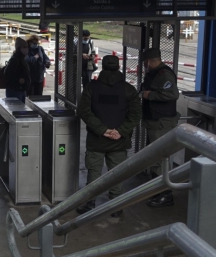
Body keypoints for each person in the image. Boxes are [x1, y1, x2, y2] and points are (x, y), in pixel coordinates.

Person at [76, 55, 142, 216]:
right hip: (119, 141)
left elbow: (84, 111)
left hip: (96, 140)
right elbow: (136, 114)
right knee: (116, 174)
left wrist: (102, 130)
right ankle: (116, 207)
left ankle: (89, 204)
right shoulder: (128, 89)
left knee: (94, 173)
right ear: (119, 67)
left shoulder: (92, 88)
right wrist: (120, 131)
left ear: (102, 67)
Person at [140, 47, 180, 207]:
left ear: (149, 61)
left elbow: (173, 94)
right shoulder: (154, 73)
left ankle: (166, 193)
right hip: (155, 121)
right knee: (155, 157)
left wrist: (150, 95)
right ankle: (157, 189)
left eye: (145, 62)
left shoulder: (164, 74)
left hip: (162, 122)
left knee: (161, 157)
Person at [4, 37, 31, 102]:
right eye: (24, 47)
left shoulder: (22, 59)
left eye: (27, 47)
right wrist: (18, 79)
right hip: (14, 90)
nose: (26, 49)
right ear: (19, 48)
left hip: (21, 89)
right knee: (17, 110)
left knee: (21, 109)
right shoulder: (15, 59)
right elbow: (7, 73)